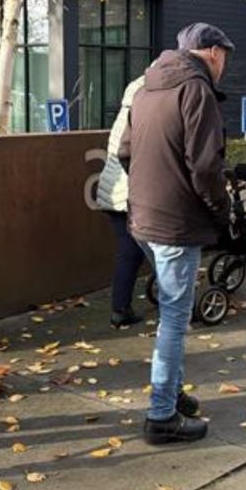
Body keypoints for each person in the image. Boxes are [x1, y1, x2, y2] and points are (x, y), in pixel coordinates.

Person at [119, 23, 233, 445]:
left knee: (170, 310)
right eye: (225, 55)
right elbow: (205, 167)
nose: (225, 63)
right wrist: (221, 213)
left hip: (142, 220)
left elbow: (125, 152)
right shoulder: (195, 90)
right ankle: (161, 415)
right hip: (176, 225)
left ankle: (170, 392)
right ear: (214, 52)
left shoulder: (147, 89)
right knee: (174, 319)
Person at [95, 74, 147, 329]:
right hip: (128, 195)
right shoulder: (141, 115)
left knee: (129, 253)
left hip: (113, 195)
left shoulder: (124, 114)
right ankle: (181, 306)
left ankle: (120, 309)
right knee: (157, 252)